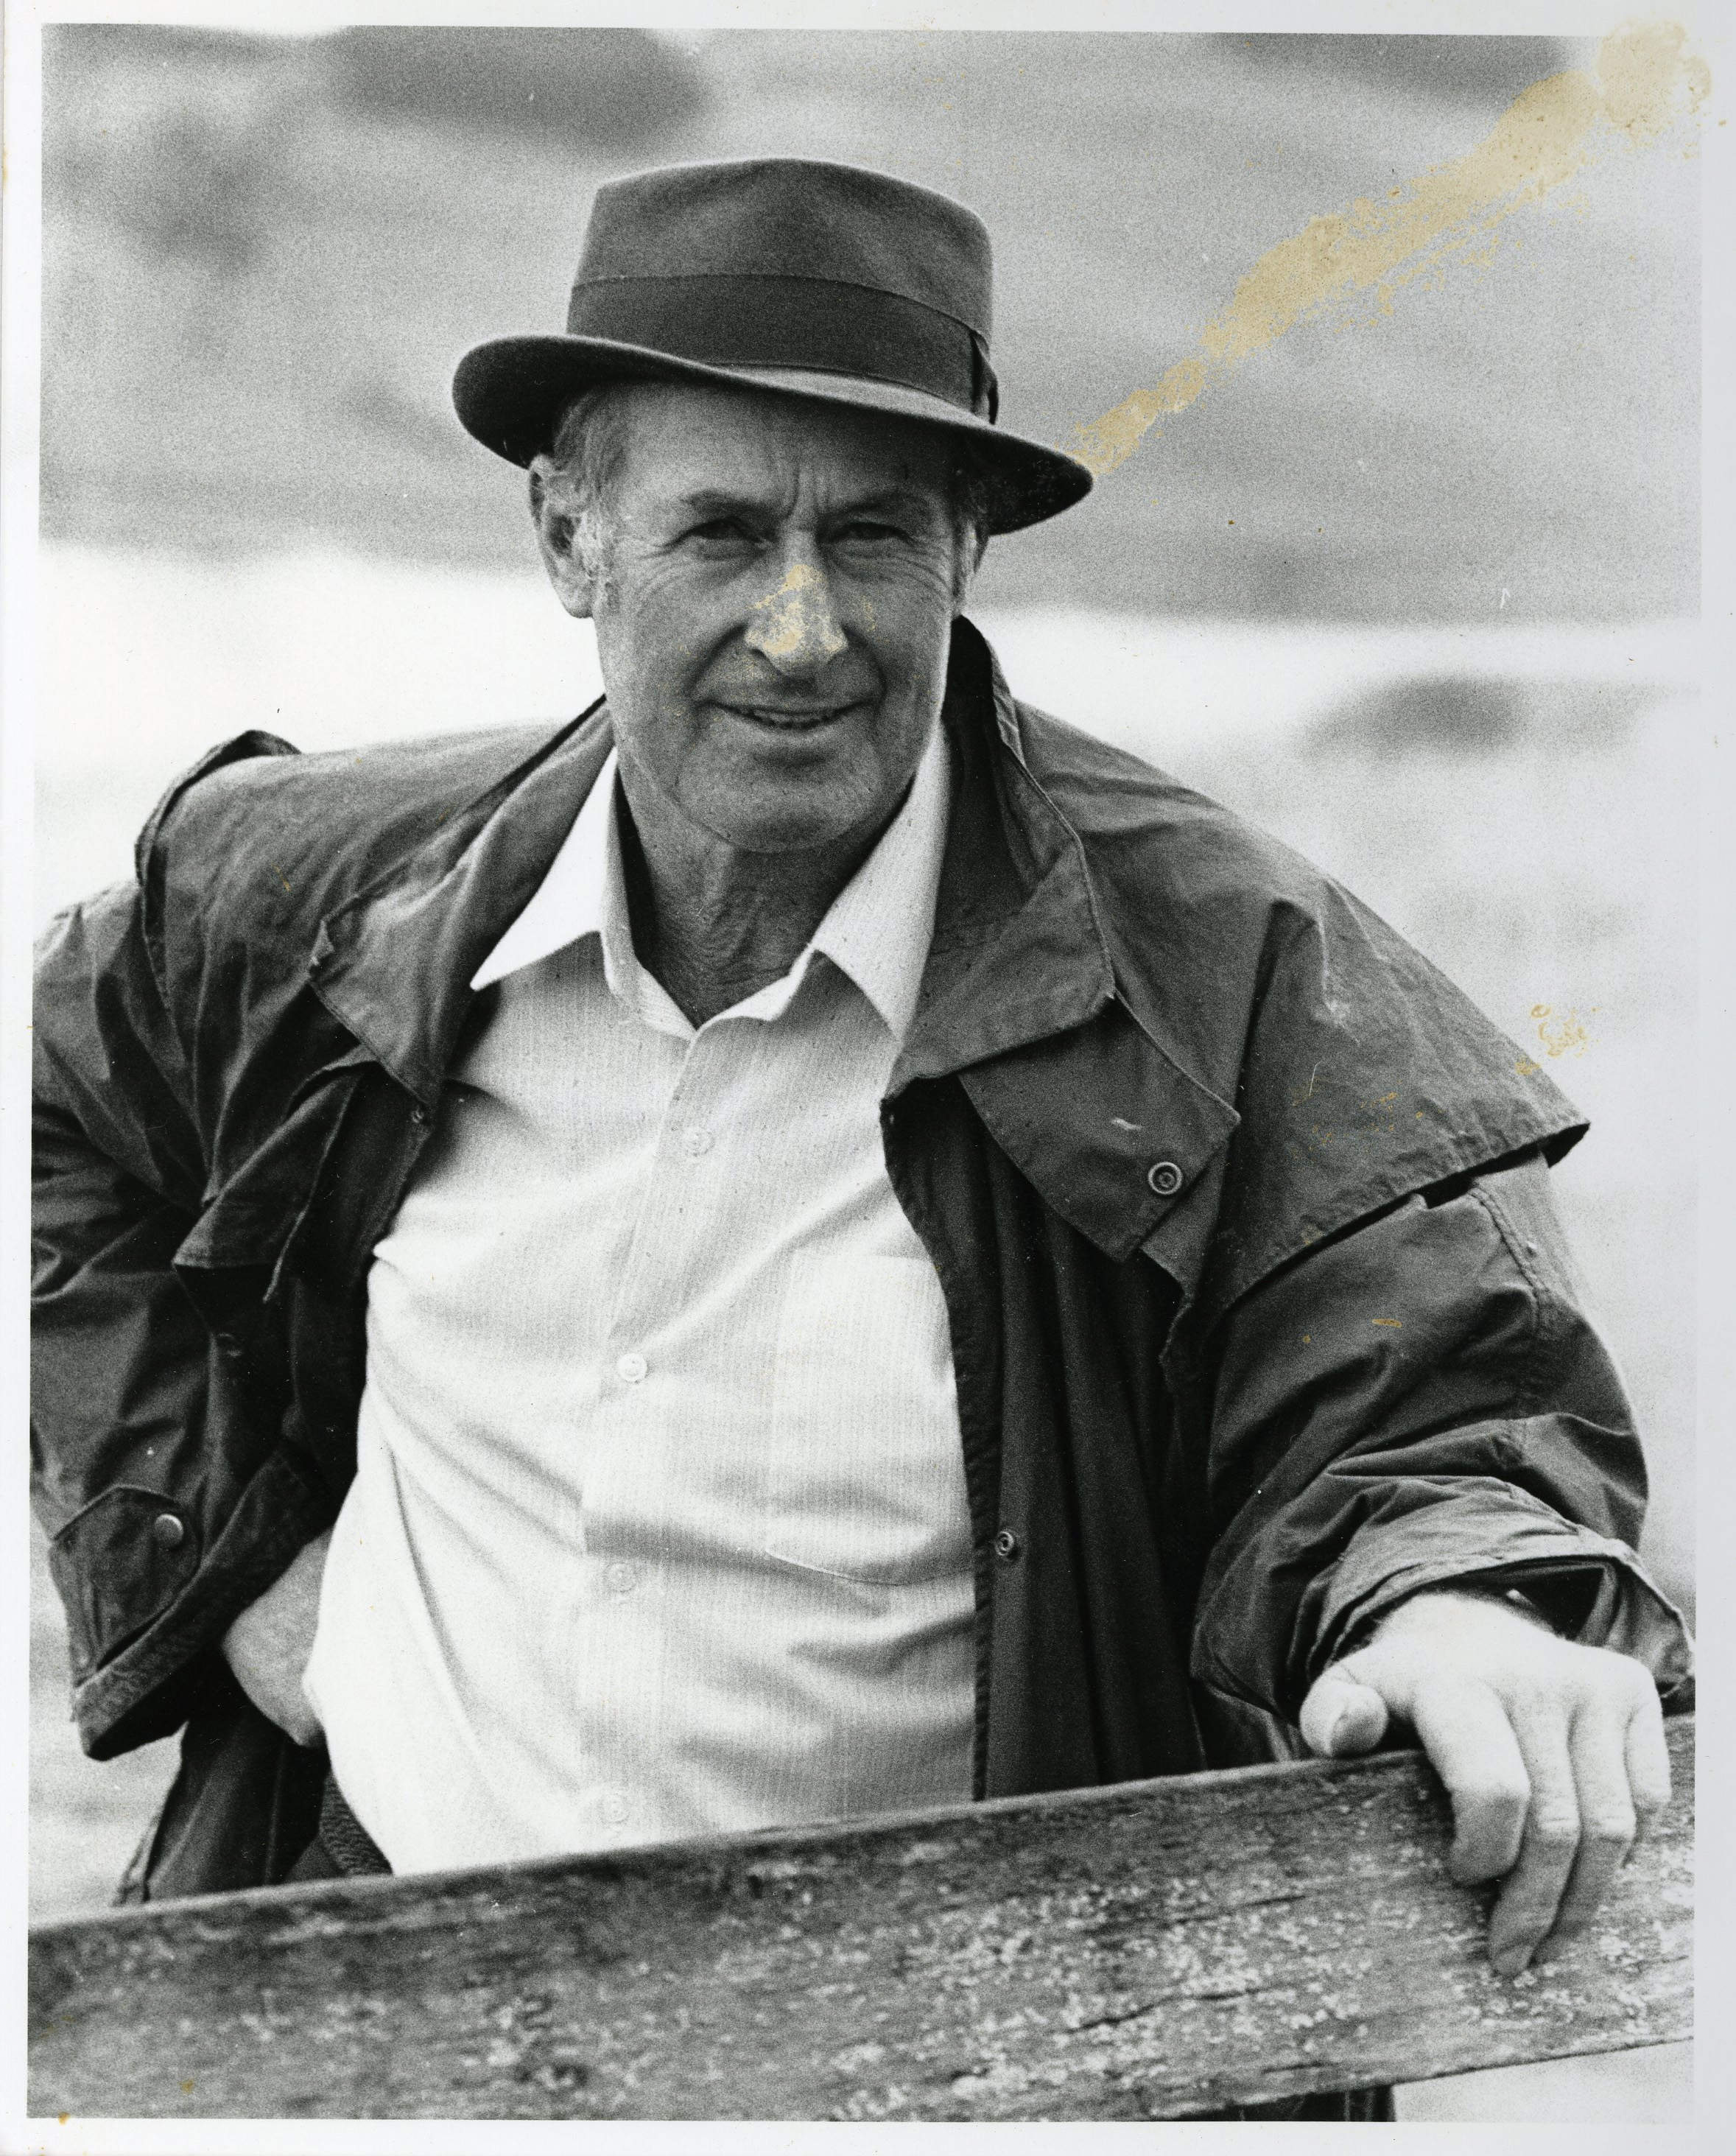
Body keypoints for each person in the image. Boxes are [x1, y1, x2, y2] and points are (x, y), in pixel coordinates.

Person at [33, 157, 1688, 2116]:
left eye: (875, 536)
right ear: (569, 535)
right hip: (384, 2042)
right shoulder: (307, 897)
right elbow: (61, 1108)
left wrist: (1463, 1602)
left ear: (968, 547)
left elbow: (1425, 1380)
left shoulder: (1229, 965)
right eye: (722, 535)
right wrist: (232, 1571)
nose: (803, 630)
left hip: (974, 2080)